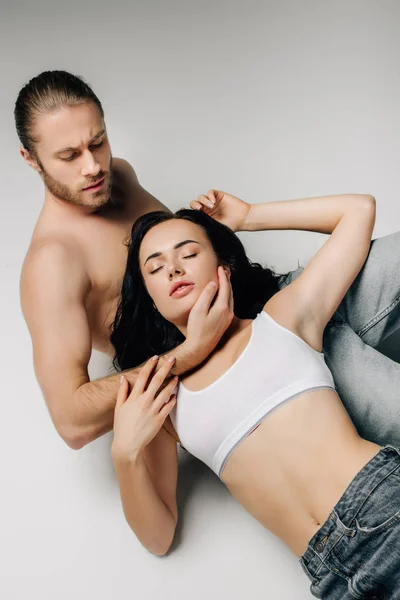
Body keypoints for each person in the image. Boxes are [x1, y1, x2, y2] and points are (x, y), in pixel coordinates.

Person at [16, 70, 400, 456]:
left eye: (97, 142)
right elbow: (71, 421)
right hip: (250, 368)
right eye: (69, 156)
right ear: (30, 159)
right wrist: (192, 352)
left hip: (283, 302)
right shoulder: (52, 263)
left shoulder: (119, 175)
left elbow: (189, 253)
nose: (93, 167)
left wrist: (240, 219)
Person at [110, 196, 400, 598]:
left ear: (222, 266)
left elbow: (359, 211)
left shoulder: (282, 317)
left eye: (189, 253)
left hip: (385, 504)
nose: (173, 268)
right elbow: (158, 537)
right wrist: (124, 455)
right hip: (331, 576)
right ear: (152, 299)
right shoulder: (162, 401)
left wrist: (249, 217)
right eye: (155, 268)